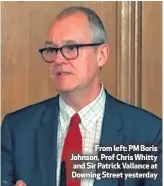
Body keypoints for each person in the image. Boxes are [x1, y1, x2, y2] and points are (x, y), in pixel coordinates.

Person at [1, 6, 162, 186]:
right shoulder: (17, 129)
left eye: (71, 48)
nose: (58, 59)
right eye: (52, 50)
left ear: (101, 55)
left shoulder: (149, 134)